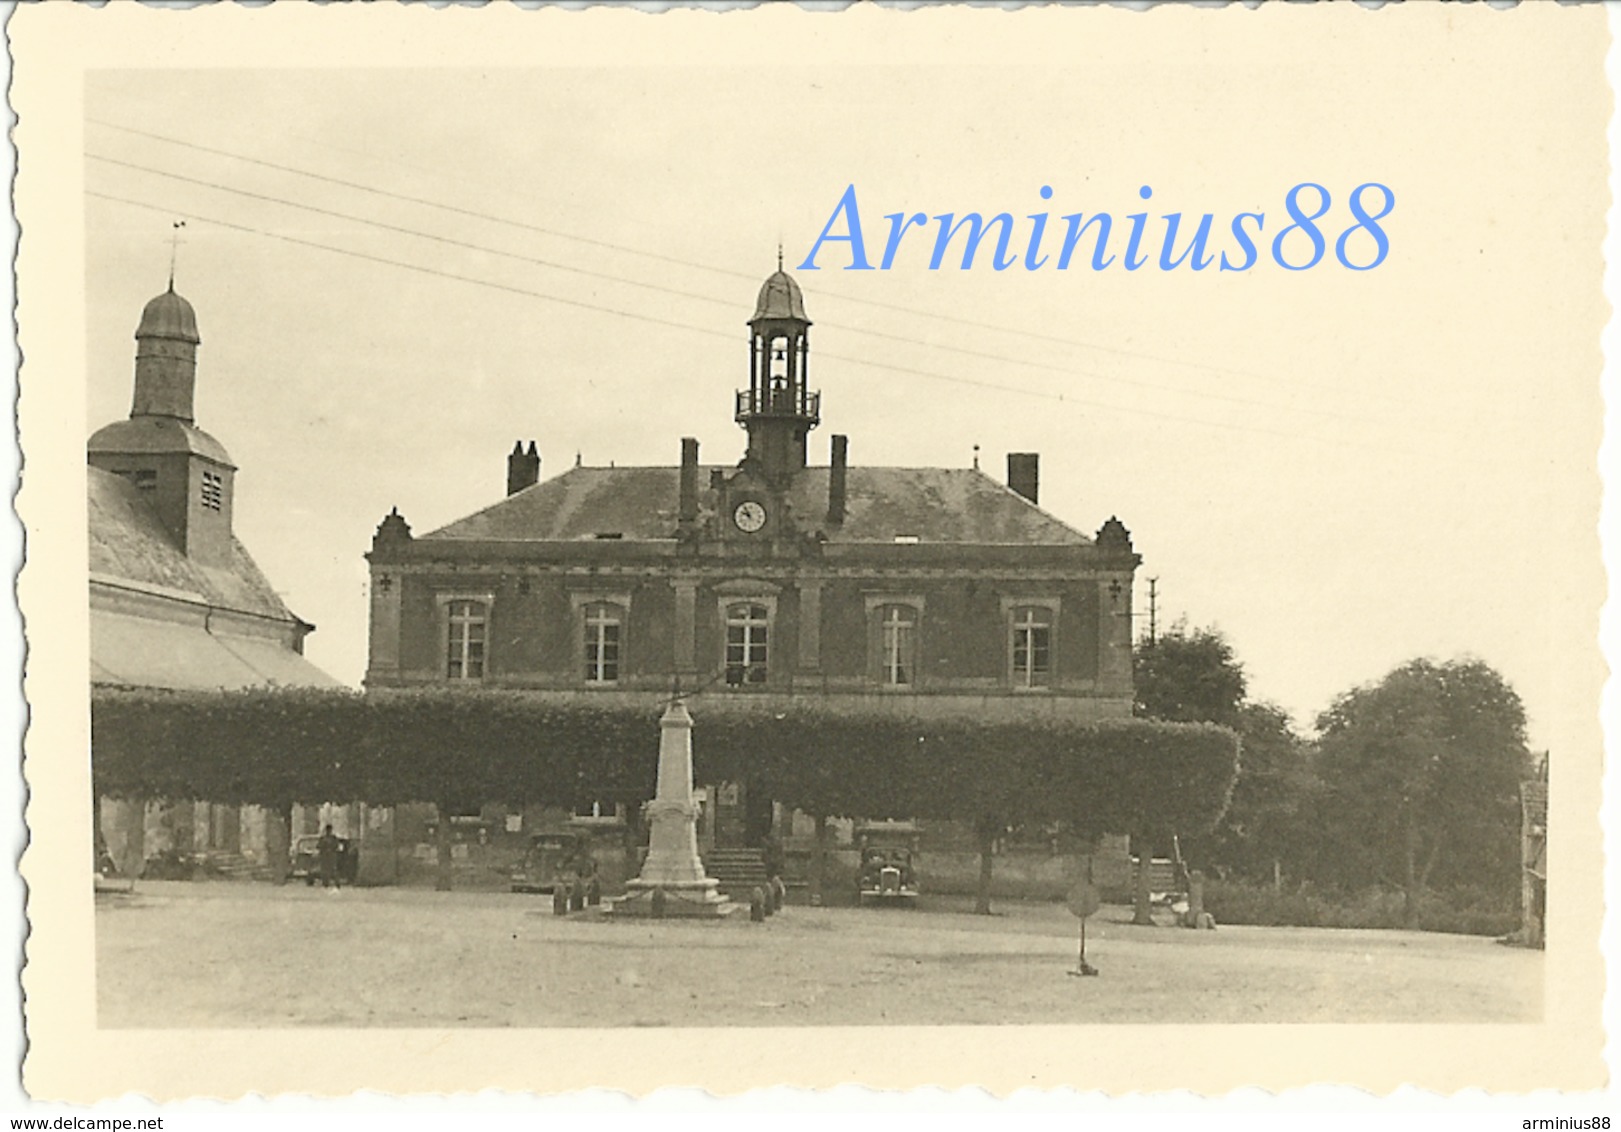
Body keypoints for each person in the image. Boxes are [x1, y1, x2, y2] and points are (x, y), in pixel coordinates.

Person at [317, 824, 341, 891]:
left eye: (329, 830)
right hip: (325, 856)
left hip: (331, 856)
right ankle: (326, 883)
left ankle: (336, 883)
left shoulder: (333, 838)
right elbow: (318, 846)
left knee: (333, 869)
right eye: (328, 830)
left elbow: (336, 845)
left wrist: (330, 849)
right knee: (325, 870)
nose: (328, 831)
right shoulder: (323, 838)